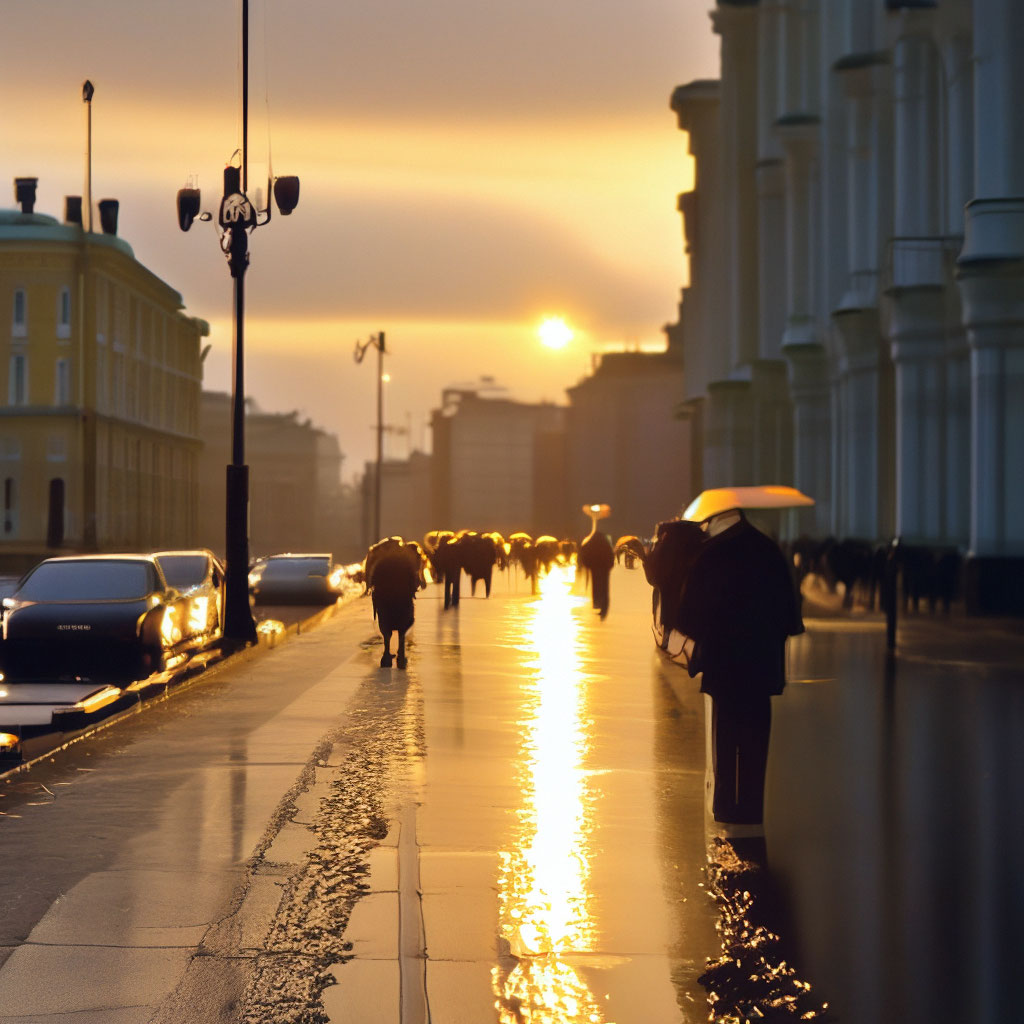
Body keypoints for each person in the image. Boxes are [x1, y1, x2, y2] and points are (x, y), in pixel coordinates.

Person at [675, 508, 803, 830]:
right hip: (761, 662)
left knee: (726, 731)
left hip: (723, 661)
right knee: (756, 736)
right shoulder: (769, 552)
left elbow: (688, 617)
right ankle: (751, 806)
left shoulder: (712, 554)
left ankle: (725, 805)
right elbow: (789, 615)